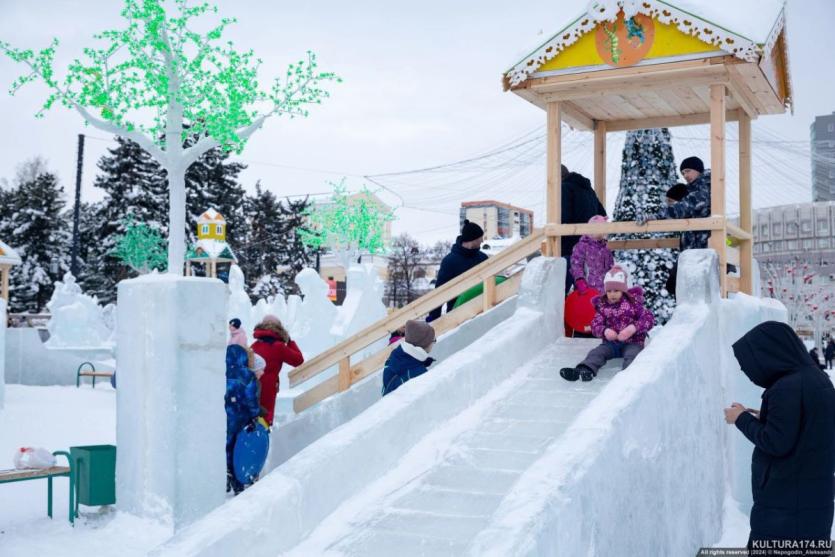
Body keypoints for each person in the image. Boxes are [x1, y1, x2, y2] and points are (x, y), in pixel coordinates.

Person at [724, 321, 835, 549]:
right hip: (811, 500)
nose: (746, 370)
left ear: (769, 354)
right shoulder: (817, 378)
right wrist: (762, 416)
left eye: (748, 363)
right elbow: (803, 428)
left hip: (785, 507)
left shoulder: (786, 387)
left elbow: (775, 442)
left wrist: (740, 418)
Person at [560, 265, 654, 382]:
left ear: (623, 290)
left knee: (632, 356)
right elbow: (595, 324)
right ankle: (585, 370)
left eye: (616, 291)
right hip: (612, 343)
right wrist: (605, 331)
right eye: (609, 291)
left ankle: (629, 378)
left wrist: (632, 328)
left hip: (633, 342)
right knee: (596, 353)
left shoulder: (634, 303)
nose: (612, 294)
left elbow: (649, 318)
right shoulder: (602, 306)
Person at [639, 156, 711, 297]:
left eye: (688, 171)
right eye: (683, 173)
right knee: (682, 288)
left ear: (698, 170)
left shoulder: (704, 187)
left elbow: (685, 207)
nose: (685, 175)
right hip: (694, 248)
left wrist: (655, 216)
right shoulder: (695, 189)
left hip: (701, 249)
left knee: (692, 291)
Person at [427, 220, 488, 321]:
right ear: (473, 239)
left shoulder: (483, 258)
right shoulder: (449, 261)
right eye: (480, 238)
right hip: (457, 316)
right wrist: (434, 318)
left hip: (482, 311)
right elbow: (440, 291)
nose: (482, 241)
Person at [560, 164, 607, 294]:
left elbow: (564, 217)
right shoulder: (589, 190)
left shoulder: (564, 188)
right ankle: (585, 314)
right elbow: (602, 214)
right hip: (589, 248)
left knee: (559, 291)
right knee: (584, 291)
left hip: (569, 248)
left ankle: (562, 314)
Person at [251, 315, 304, 425]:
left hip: (252, 386)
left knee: (253, 418)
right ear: (279, 329)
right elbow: (298, 360)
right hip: (268, 388)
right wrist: (290, 341)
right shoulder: (278, 347)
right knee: (265, 419)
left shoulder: (254, 345)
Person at [225, 344, 263, 495]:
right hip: (241, 416)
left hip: (225, 416)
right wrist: (255, 414)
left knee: (227, 446)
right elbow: (251, 399)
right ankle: (238, 479)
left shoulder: (222, 372)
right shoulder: (247, 375)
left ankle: (226, 474)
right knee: (240, 447)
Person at [382, 320, 436, 395]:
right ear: (425, 344)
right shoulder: (419, 374)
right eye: (433, 340)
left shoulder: (395, 356)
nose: (434, 343)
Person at [570, 215, 614, 294]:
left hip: (604, 291)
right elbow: (576, 264)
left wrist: (613, 276)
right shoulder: (582, 246)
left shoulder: (605, 248)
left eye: (605, 229)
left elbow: (610, 265)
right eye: (601, 228)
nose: (603, 232)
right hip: (587, 289)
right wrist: (580, 279)